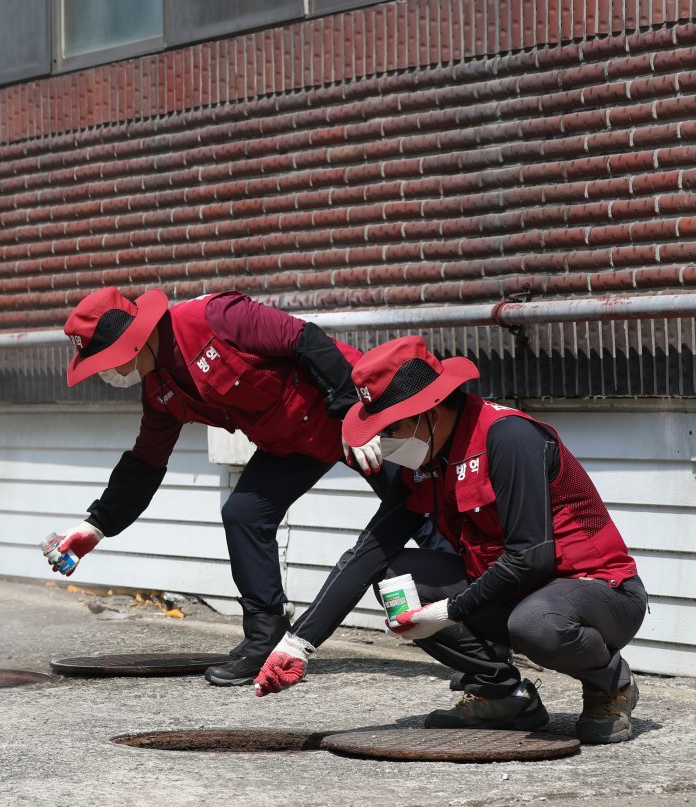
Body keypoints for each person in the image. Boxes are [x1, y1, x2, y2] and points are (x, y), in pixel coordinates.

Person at [254, 335, 648, 745]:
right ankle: (502, 694)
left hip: (598, 593)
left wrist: (450, 610)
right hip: (514, 593)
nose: (386, 443)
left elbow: (531, 558)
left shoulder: (508, 437)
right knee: (395, 577)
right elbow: (369, 550)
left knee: (535, 623)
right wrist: (298, 643)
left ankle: (611, 684)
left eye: (392, 428)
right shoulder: (425, 459)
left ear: (432, 410)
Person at [53, 286, 402, 686]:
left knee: (420, 508)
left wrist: (353, 415)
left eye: (105, 362)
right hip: (291, 444)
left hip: (350, 414)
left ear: (134, 342)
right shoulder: (160, 389)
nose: (106, 373)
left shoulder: (213, 317)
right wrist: (96, 526)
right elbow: (145, 462)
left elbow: (306, 340)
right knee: (244, 513)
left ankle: (476, 635)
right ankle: (264, 636)